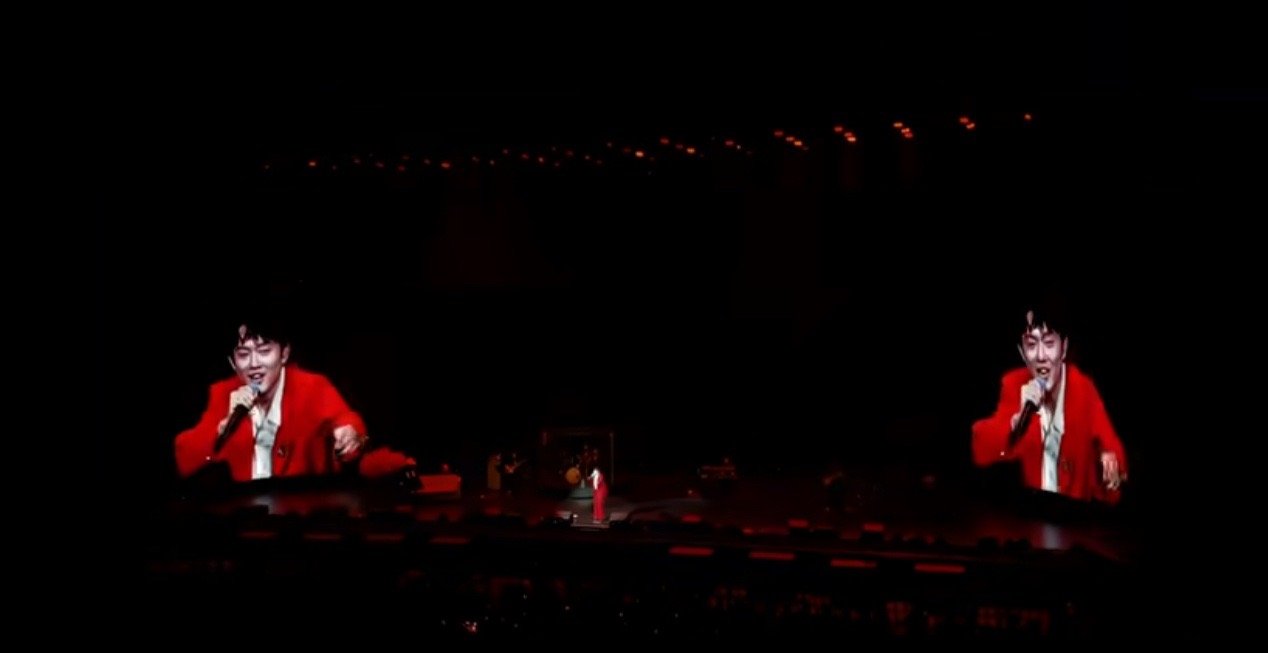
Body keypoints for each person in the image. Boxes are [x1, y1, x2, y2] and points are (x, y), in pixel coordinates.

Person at [174, 317, 414, 482]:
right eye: (244, 354)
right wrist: (222, 428)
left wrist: (351, 436)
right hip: (246, 520)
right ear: (232, 362)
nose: (254, 364)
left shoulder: (311, 387)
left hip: (301, 514)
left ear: (284, 353)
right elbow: (186, 459)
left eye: (264, 351)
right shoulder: (222, 393)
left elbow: (347, 423)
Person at [971, 306, 1127, 504]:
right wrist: (1015, 424)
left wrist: (1110, 463)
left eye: (1049, 343)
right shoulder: (1014, 384)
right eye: (1031, 344)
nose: (1040, 355)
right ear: (1022, 352)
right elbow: (982, 451)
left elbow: (1113, 451)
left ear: (1064, 348)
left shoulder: (1083, 389)